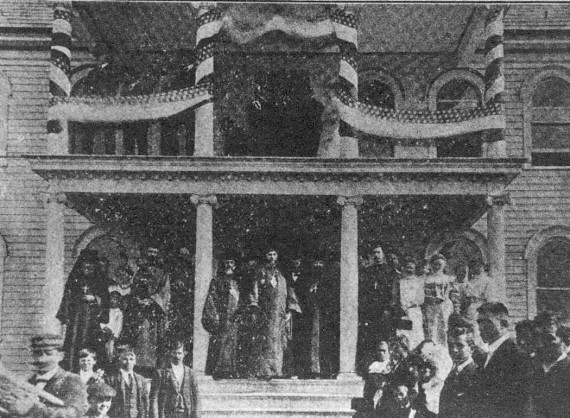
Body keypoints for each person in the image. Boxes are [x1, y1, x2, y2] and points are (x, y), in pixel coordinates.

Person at [0, 334, 87, 417]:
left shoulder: (71, 380)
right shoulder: (29, 381)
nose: (41, 359)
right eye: (37, 353)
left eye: (48, 353)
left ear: (60, 356)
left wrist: (33, 407)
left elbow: (73, 414)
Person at [249, 246, 301, 378]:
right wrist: (254, 306)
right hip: (265, 312)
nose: (272, 257)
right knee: (265, 340)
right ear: (266, 256)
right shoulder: (260, 272)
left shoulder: (283, 272)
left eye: (274, 254)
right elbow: (254, 290)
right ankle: (265, 371)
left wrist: (290, 309)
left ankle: (278, 370)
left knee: (279, 340)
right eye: (269, 254)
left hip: (280, 313)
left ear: (277, 256)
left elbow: (290, 291)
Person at [57, 249, 110, 372]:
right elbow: (67, 297)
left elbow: (105, 299)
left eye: (90, 264)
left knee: (93, 344)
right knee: (73, 343)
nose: (87, 266)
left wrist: (94, 299)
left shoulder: (100, 280)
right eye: (85, 263)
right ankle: (72, 369)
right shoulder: (74, 279)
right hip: (76, 320)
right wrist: (66, 314)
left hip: (92, 320)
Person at [476, 302, 531, 418]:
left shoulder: (517, 356)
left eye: (487, 322)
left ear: (503, 324)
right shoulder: (485, 356)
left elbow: (519, 404)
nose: (480, 328)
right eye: (479, 322)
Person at [123, 246, 171, 372]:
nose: (152, 255)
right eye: (150, 252)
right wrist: (138, 300)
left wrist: (152, 300)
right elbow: (134, 289)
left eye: (155, 252)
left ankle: (155, 369)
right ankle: (141, 367)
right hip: (141, 310)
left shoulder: (163, 273)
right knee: (142, 338)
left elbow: (164, 292)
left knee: (156, 338)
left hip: (155, 312)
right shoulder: (140, 272)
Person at [202, 253, 242, 378]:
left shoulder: (238, 281)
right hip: (221, 316)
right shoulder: (216, 281)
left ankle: (232, 370)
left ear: (234, 266)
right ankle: (218, 370)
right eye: (227, 262)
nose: (229, 265)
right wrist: (215, 314)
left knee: (233, 343)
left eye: (231, 263)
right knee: (220, 342)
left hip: (234, 316)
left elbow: (242, 299)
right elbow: (211, 298)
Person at [358, 245, 394, 374]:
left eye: (379, 252)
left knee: (384, 340)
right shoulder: (367, 271)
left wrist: (388, 309)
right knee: (369, 340)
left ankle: (385, 368)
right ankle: (368, 368)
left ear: (383, 254)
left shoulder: (390, 271)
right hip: (370, 312)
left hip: (384, 312)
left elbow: (393, 292)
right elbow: (363, 292)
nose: (376, 255)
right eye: (374, 253)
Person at [150, 340, 200, 418]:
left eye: (179, 353)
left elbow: (196, 397)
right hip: (167, 414)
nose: (177, 356)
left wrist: (196, 415)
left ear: (184, 354)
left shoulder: (190, 373)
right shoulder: (160, 373)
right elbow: (154, 397)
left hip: (186, 413)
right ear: (170, 353)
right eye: (174, 353)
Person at [439, 324, 479, 418]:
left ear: (471, 348)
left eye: (460, 346)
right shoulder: (452, 374)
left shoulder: (477, 374)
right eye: (450, 345)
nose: (454, 350)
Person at [531, 329, 570, 418]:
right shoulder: (545, 366)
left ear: (563, 346)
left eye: (554, 344)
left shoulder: (566, 366)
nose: (550, 347)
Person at [105, 344, 149, 418]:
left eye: (131, 359)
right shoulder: (111, 379)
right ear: (120, 360)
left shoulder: (141, 380)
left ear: (135, 361)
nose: (128, 362)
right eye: (125, 359)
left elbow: (144, 402)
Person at [423, 254, 455, 346]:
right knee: (431, 328)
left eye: (439, 265)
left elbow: (453, 294)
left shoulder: (447, 278)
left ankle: (444, 348)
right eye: (435, 264)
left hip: (443, 306)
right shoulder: (427, 278)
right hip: (430, 306)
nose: (437, 267)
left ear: (443, 265)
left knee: (443, 327)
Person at [396, 257, 425, 350]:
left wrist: (409, 306)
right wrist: (402, 307)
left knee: (415, 335)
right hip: (402, 312)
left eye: (411, 268)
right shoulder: (401, 281)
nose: (409, 270)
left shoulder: (418, 281)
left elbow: (420, 298)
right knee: (403, 335)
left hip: (414, 311)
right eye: (407, 267)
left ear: (415, 269)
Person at [98, 291, 124, 367]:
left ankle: (111, 362)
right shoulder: (106, 310)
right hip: (104, 332)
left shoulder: (119, 313)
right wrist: (104, 327)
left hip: (112, 335)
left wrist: (116, 335)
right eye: (111, 299)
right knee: (102, 347)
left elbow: (119, 325)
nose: (112, 301)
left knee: (110, 347)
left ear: (119, 301)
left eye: (115, 299)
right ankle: (102, 363)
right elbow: (101, 321)